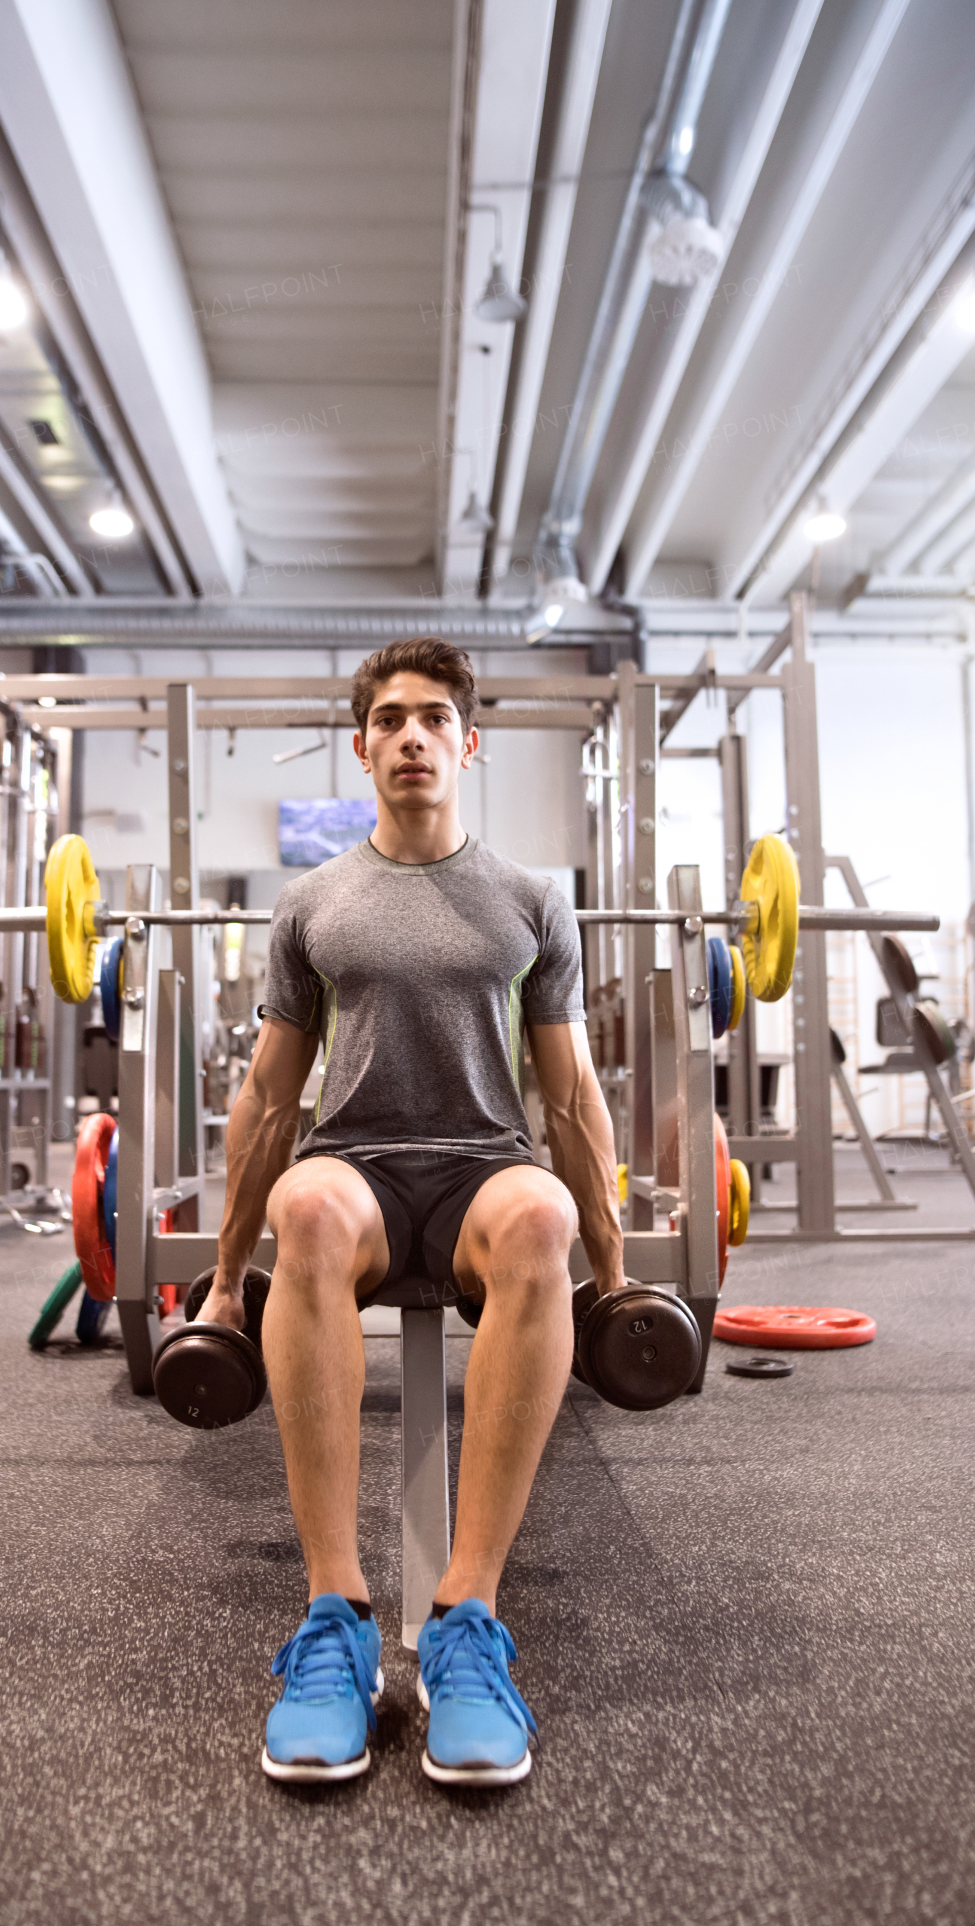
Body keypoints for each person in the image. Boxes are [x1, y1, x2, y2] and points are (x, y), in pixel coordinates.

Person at [199, 637, 624, 1787]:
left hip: (486, 1167)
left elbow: (571, 1094)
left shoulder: (532, 898)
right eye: (387, 719)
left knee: (542, 1219)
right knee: (312, 1210)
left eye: (433, 718)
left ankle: (463, 1618)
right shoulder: (312, 901)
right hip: (362, 1170)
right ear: (360, 748)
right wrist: (228, 1276)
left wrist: (617, 1269)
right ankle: (333, 1616)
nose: (410, 737)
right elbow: (268, 1097)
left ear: (468, 743)